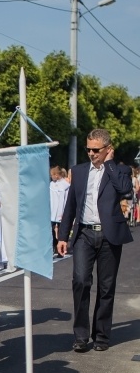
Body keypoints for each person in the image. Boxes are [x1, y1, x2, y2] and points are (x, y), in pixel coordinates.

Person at [57, 129, 133, 352]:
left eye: (96, 150)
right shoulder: (79, 172)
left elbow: (125, 190)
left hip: (110, 236)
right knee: (80, 281)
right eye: (88, 149)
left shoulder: (119, 170)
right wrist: (63, 236)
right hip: (84, 235)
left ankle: (101, 335)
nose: (91, 153)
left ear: (108, 149)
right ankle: (81, 335)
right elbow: (70, 205)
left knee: (106, 287)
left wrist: (108, 164)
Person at [50, 166, 70, 256]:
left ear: (57, 175)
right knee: (51, 230)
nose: (51, 177)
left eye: (53, 175)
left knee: (62, 231)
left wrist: (65, 212)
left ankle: (60, 249)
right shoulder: (51, 184)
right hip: (52, 211)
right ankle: (53, 245)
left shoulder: (65, 185)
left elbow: (66, 199)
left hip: (61, 211)